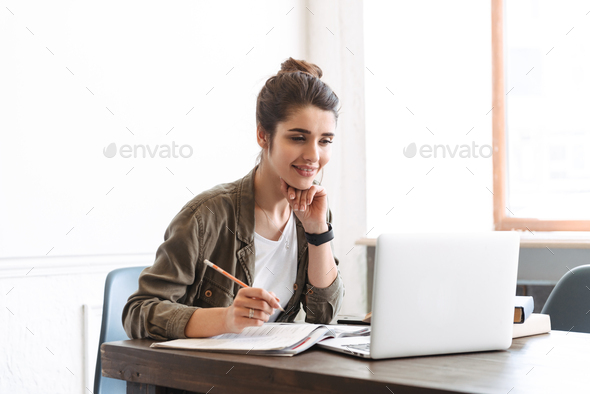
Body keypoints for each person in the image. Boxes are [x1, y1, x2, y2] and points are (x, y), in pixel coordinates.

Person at [123, 57, 345, 340]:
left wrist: (318, 233)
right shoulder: (207, 216)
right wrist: (226, 318)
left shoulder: (314, 216)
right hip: (202, 379)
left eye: (325, 141)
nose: (314, 155)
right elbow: (139, 312)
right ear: (264, 136)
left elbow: (324, 316)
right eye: (298, 138)